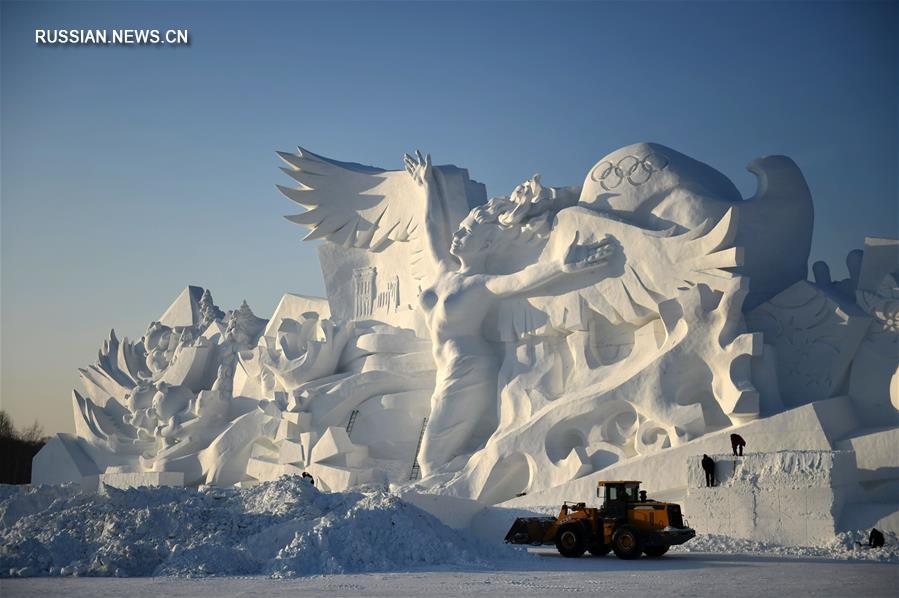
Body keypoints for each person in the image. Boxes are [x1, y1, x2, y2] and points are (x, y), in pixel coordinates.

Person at [405, 152, 613, 477]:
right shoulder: (443, 271)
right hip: (445, 369)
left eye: (468, 232)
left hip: (469, 366)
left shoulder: (480, 285)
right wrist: (426, 186)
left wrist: (560, 266)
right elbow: (432, 227)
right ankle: (474, 471)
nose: (457, 235)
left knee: (429, 460)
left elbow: (520, 280)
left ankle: (475, 477)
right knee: (435, 455)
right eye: (460, 230)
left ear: (487, 245)